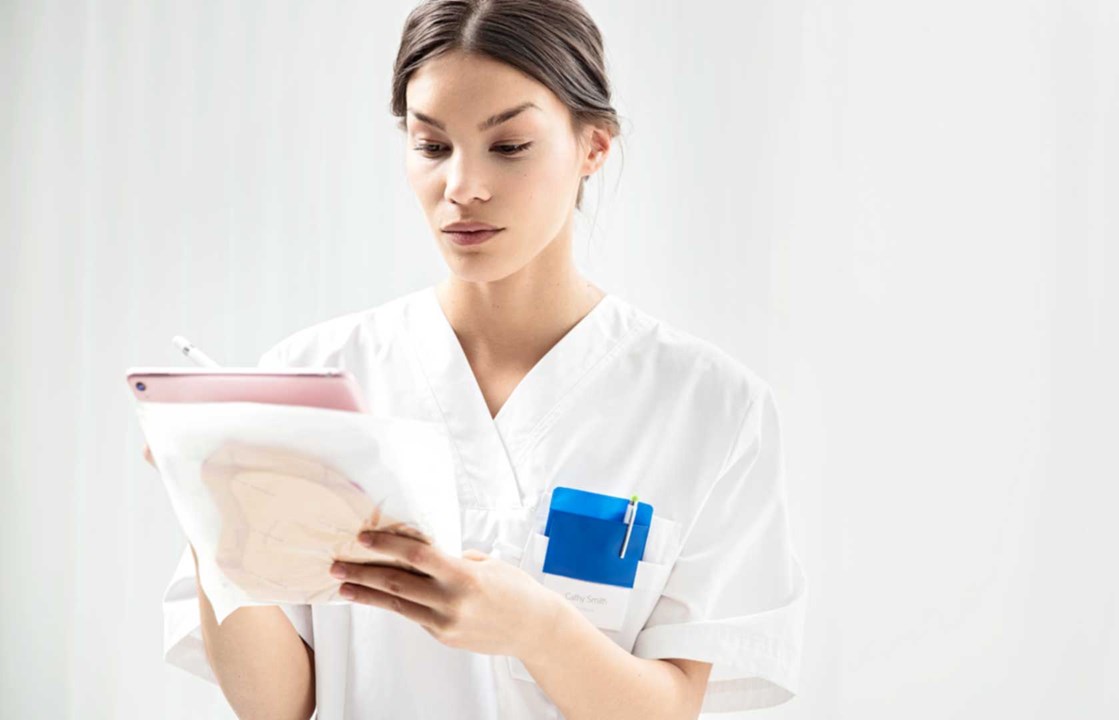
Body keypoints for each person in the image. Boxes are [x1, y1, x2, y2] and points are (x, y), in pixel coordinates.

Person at [151, 1, 807, 717]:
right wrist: (204, 502)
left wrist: (538, 629)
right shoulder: (312, 377)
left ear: (594, 146)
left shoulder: (708, 407)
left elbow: (672, 706)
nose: (462, 187)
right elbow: (277, 706)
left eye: (509, 145)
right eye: (432, 146)